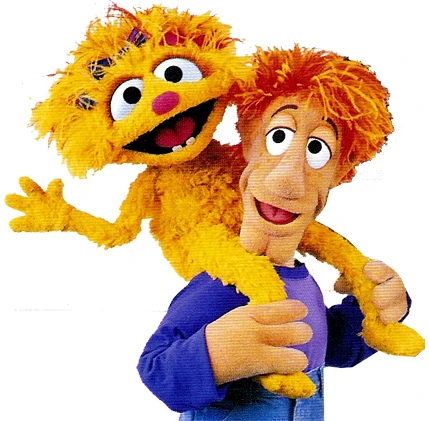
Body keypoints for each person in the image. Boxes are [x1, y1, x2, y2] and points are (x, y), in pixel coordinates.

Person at [137, 45, 410, 420]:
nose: (288, 180)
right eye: (278, 137)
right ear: (249, 141)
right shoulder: (219, 286)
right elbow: (155, 368)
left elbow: (331, 345)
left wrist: (376, 309)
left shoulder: (303, 281)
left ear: (340, 172)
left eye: (317, 151)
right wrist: (213, 354)